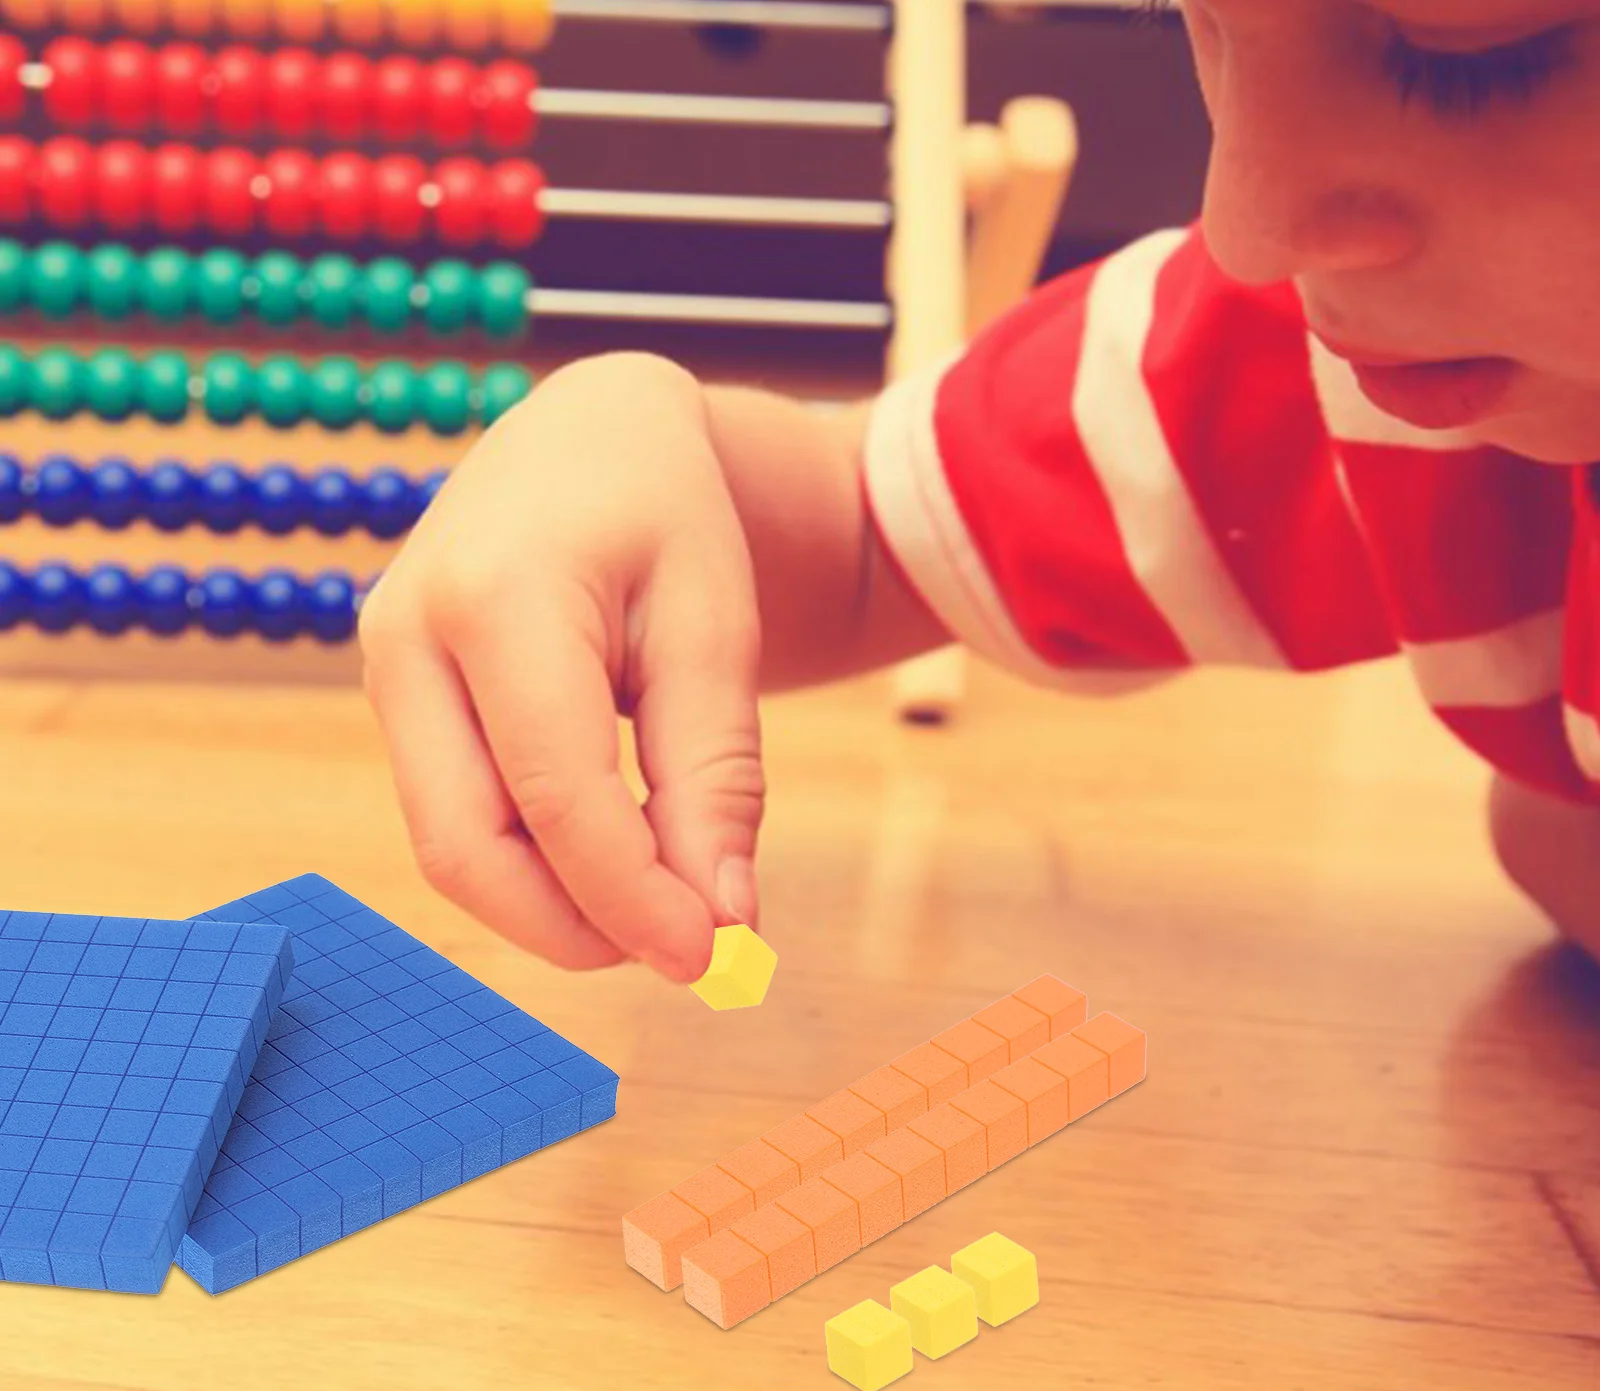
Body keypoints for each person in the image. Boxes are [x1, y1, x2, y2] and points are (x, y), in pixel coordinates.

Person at [358, 0, 1600, 982]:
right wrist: (623, 431)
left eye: (1475, 60)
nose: (1251, 222)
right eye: (1201, 26)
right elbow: (869, 533)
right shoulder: (1347, 371)